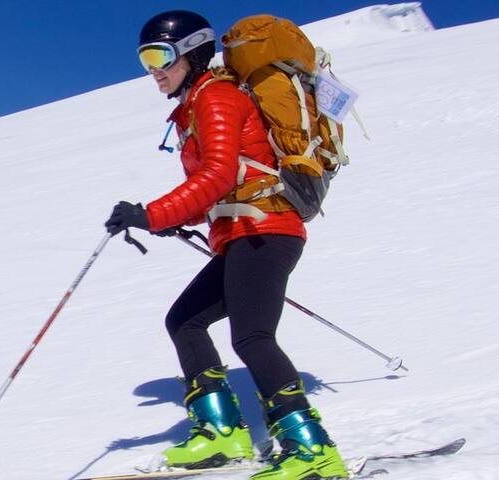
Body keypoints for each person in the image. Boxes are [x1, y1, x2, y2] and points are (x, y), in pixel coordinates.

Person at [104, 10, 348, 480]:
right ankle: (222, 432)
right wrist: (171, 218)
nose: (153, 71)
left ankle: (312, 450)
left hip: (266, 231)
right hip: (243, 233)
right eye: (144, 60)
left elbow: (216, 175)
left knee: (252, 337)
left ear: (191, 52)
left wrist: (153, 213)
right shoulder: (196, 104)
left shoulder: (215, 97)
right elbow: (223, 184)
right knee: (185, 321)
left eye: (159, 57)